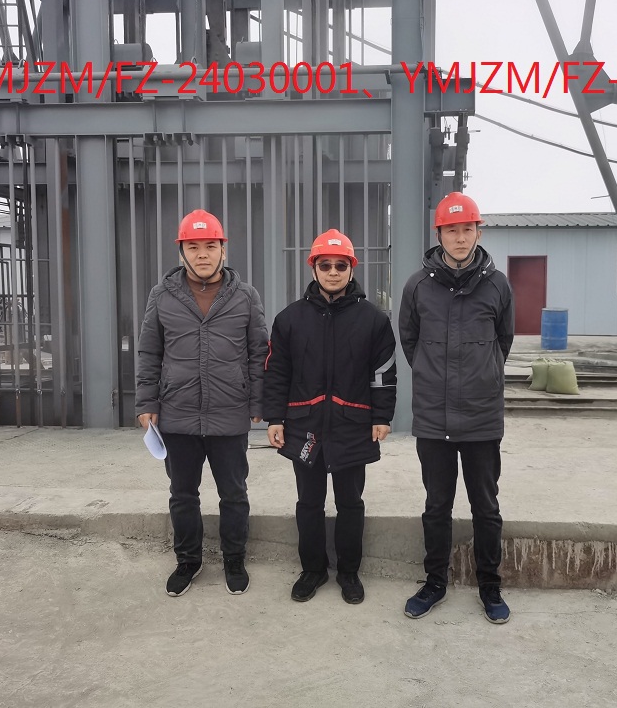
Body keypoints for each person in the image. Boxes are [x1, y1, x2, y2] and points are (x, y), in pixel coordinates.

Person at [136, 209, 268, 598]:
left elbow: (259, 352)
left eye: (210, 246)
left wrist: (258, 401)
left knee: (234, 494)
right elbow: (149, 353)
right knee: (182, 494)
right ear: (182, 252)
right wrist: (146, 401)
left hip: (230, 411)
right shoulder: (162, 296)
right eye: (193, 247)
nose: (202, 254)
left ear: (223, 249)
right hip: (178, 413)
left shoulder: (245, 296)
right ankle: (188, 561)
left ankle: (234, 559)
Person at [399, 191, 515, 624]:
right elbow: (409, 340)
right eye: (452, 230)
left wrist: (483, 376)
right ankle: (435, 583)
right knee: (436, 506)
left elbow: (504, 341)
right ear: (440, 235)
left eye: (467, 229)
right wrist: (433, 376)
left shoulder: (498, 285)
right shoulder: (418, 286)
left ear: (478, 232)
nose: (460, 238)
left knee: (486, 507)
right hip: (434, 418)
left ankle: (490, 586)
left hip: (482, 417)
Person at [263, 230, 397, 604]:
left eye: (341, 265)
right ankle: (313, 570)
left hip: (353, 426)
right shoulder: (289, 319)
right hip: (304, 427)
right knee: (309, 502)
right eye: (326, 265)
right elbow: (276, 373)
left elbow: (383, 373)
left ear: (352, 268)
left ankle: (349, 573)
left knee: (350, 503)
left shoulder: (374, 320)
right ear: (314, 268)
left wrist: (382, 416)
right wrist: (275, 418)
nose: (333, 272)